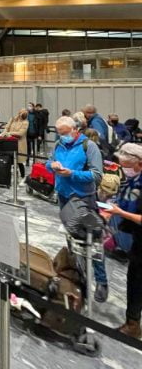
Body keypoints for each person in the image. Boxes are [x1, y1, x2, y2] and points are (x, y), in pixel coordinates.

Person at [46, 116, 109, 302]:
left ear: (75, 130)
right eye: (59, 133)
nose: (62, 136)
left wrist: (72, 174)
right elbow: (49, 163)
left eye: (65, 133)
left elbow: (97, 176)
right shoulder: (58, 145)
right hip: (64, 197)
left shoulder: (89, 146)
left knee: (93, 240)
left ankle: (101, 280)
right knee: (71, 237)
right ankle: (77, 274)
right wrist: (52, 165)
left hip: (84, 198)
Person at [103, 143, 142, 339]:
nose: (123, 168)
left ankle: (133, 325)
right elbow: (123, 200)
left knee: (136, 281)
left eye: (126, 165)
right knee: (134, 279)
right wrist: (111, 210)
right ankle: (132, 322)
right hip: (137, 238)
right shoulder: (132, 181)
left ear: (138, 164)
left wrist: (121, 213)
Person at [1, 109, 29, 180]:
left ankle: (22, 176)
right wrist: (4, 132)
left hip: (19, 143)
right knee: (8, 160)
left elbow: (21, 133)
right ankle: (7, 177)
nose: (22, 115)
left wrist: (9, 133)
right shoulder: (13, 119)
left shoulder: (25, 122)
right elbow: (7, 127)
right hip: (9, 142)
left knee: (19, 161)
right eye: (21, 114)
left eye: (24, 115)